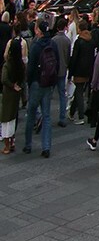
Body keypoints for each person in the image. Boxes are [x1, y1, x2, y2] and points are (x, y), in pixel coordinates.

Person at [24, 19, 60, 157]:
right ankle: (46, 147)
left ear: (37, 30)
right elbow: (57, 64)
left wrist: (29, 82)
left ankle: (28, 145)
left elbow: (31, 68)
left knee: (31, 114)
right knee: (46, 115)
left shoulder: (36, 46)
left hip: (36, 83)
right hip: (48, 83)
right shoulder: (53, 44)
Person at [1, 33, 24, 154]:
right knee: (13, 118)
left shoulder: (7, 64)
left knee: (5, 119)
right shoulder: (20, 65)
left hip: (8, 94)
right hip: (16, 94)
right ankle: (12, 141)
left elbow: (4, 79)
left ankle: (6, 146)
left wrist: (11, 85)